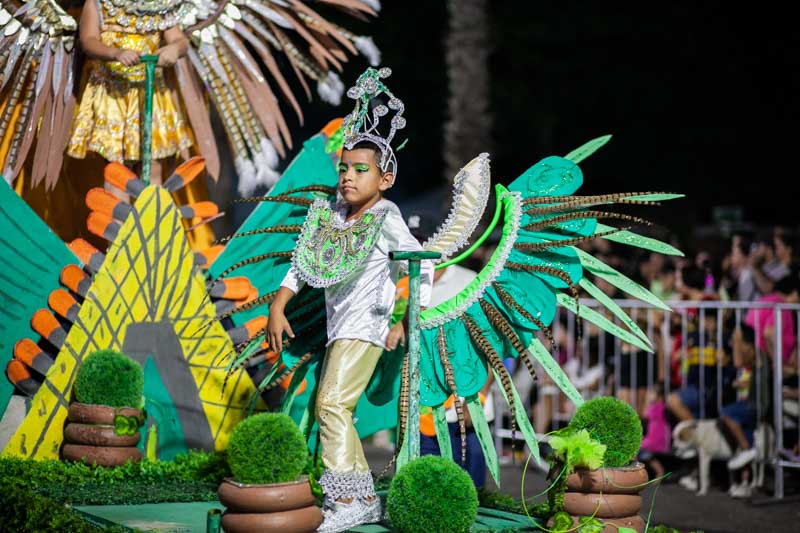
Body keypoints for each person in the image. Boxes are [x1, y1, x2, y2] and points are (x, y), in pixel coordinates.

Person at [267, 69, 433, 532]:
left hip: (367, 325)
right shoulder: (330, 214)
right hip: (338, 328)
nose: (348, 177)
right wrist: (278, 306)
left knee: (331, 405)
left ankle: (348, 500)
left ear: (385, 178)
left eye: (361, 170)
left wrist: (407, 318)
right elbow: (302, 264)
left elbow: (421, 263)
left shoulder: (386, 215)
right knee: (333, 407)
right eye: (343, 168)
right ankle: (361, 498)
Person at [68, 0, 192, 189]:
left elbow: (180, 40)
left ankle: (153, 207)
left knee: (153, 166)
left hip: (150, 91)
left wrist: (174, 49)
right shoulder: (98, 3)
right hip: (113, 96)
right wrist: (115, 53)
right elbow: (88, 40)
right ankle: (119, 209)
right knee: (118, 170)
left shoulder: (160, 4)